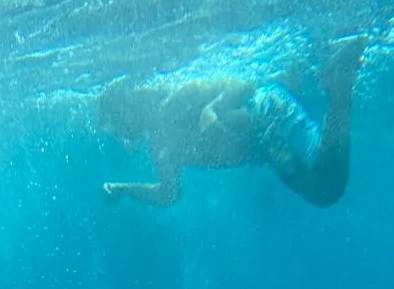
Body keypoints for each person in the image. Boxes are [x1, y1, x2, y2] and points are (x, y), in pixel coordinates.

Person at [98, 33, 366, 209]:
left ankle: (339, 82)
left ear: (127, 108)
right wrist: (125, 190)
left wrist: (212, 109)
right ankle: (338, 82)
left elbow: (244, 86)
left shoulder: (171, 101)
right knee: (325, 189)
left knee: (327, 187)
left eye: (116, 123)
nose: (120, 133)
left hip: (267, 113)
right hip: (268, 144)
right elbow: (169, 194)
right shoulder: (157, 144)